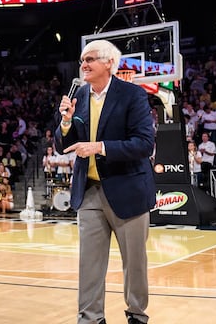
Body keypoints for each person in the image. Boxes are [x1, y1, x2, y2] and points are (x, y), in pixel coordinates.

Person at [55, 39, 155, 324]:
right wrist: (65, 122)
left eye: (90, 59)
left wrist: (99, 147)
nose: (83, 64)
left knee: (134, 263)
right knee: (90, 264)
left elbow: (144, 144)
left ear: (110, 62)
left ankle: (136, 315)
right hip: (88, 192)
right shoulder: (77, 98)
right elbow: (64, 144)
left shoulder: (133, 95)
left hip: (128, 189)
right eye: (82, 60)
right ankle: (90, 318)